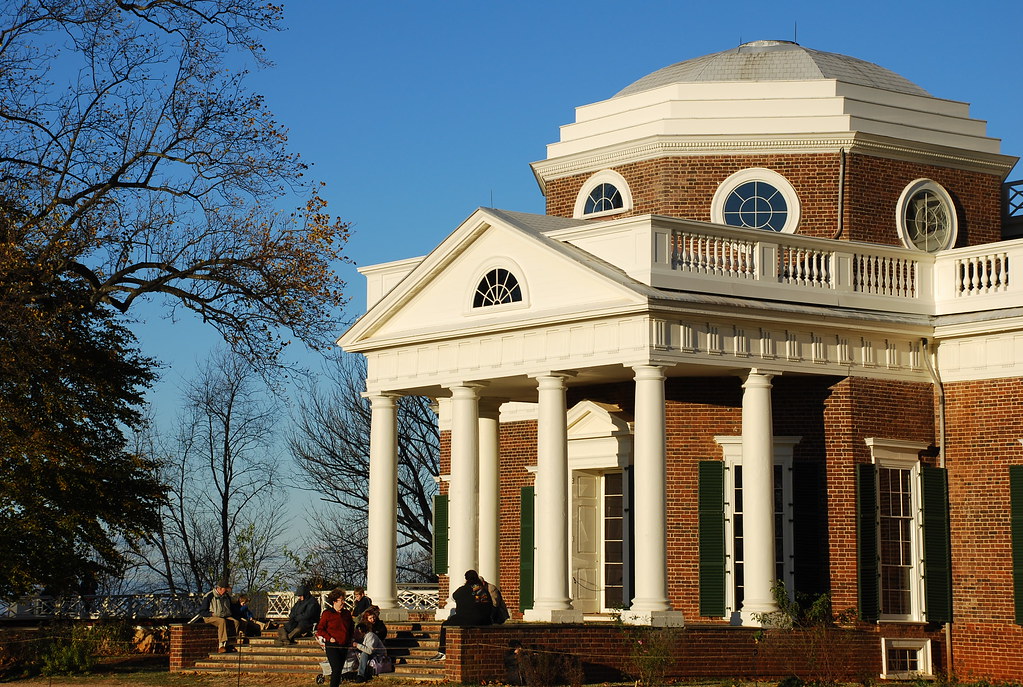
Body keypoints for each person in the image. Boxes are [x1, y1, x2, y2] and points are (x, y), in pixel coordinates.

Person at [430, 569, 493, 661]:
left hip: (463, 617)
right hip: (481, 619)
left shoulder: (462, 589)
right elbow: (486, 604)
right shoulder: (479, 589)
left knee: (445, 625)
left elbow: (453, 597)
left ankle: (442, 651)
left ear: (466, 579)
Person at [315, 588, 354, 687]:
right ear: (334, 601)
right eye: (341, 600)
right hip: (332, 645)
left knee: (339, 670)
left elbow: (351, 627)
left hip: (344, 644)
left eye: (344, 600)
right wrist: (329, 638)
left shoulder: (347, 614)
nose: (343, 602)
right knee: (336, 668)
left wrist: (350, 638)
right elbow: (320, 629)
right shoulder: (327, 614)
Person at [200, 578, 240, 653]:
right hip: (210, 617)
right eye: (225, 589)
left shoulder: (226, 596)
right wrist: (211, 614)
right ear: (220, 588)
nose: (226, 591)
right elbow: (202, 611)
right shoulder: (209, 596)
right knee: (222, 621)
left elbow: (231, 607)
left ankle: (230, 643)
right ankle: (221, 645)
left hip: (225, 615)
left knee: (236, 622)